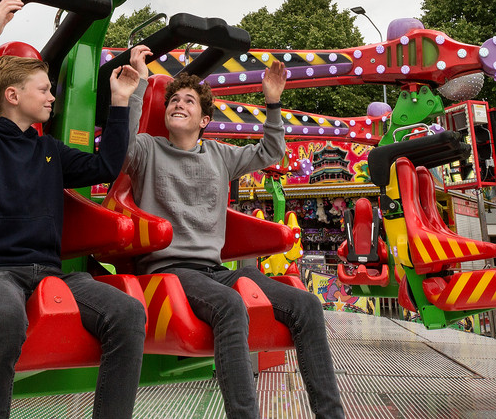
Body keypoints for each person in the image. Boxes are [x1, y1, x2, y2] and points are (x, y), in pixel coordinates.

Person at [0, 0, 146, 419]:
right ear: (13, 95)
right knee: (4, 317)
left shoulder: (50, 150)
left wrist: (120, 102)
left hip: (48, 271)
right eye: (44, 89)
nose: (51, 97)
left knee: (128, 313)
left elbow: (103, 165)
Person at [122, 50, 344, 419]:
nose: (178, 104)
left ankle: (330, 414)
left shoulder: (220, 155)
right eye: (173, 100)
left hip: (214, 270)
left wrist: (272, 102)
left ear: (204, 119)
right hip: (170, 270)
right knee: (230, 305)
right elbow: (120, 148)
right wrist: (139, 85)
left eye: (188, 101)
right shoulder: (147, 148)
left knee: (306, 305)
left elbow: (271, 151)